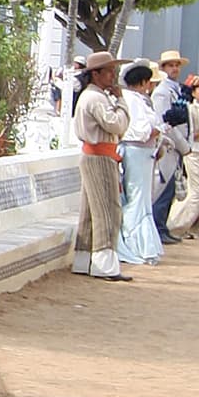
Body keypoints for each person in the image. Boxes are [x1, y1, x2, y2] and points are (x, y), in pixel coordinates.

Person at [71, 50, 131, 280]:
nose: (112, 76)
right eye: (109, 72)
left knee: (89, 210)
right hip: (99, 156)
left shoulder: (93, 96)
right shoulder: (95, 98)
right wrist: (122, 102)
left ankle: (83, 259)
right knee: (107, 209)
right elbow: (116, 125)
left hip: (96, 154)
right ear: (96, 74)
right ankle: (105, 264)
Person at [117, 63, 162, 265]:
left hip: (144, 153)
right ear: (143, 82)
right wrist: (163, 128)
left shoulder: (139, 100)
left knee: (141, 198)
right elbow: (140, 132)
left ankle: (140, 244)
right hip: (136, 151)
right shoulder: (133, 100)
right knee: (136, 197)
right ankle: (134, 243)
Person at [169, 75, 199, 237]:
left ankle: (197, 226)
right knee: (195, 191)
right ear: (194, 92)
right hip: (194, 152)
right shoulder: (190, 109)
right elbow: (191, 134)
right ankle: (178, 225)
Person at [150, 47, 191, 243]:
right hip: (169, 144)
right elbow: (166, 123)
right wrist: (183, 145)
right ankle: (158, 226)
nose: (175, 69)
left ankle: (162, 225)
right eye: (171, 65)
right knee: (163, 186)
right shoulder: (162, 93)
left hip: (177, 144)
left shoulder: (177, 89)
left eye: (176, 65)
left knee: (171, 187)